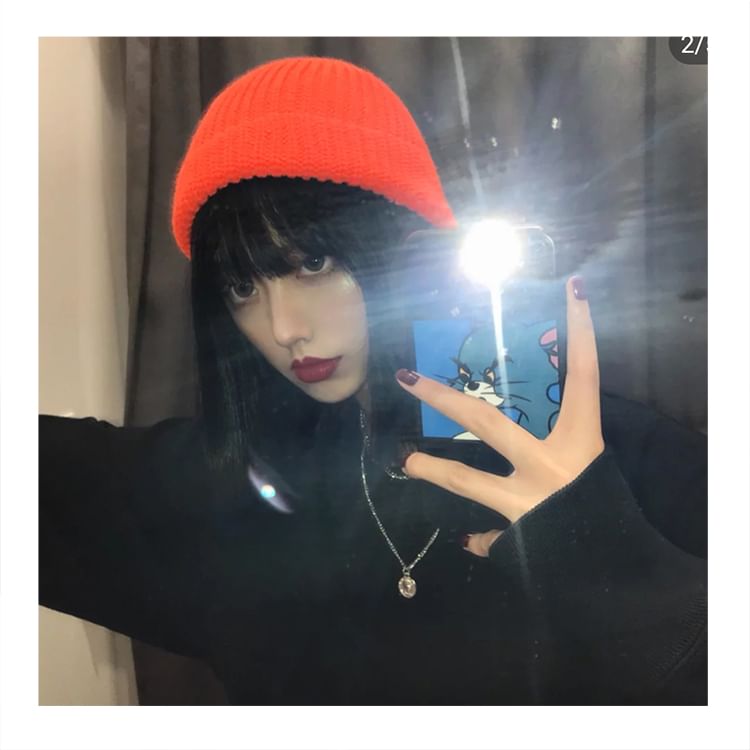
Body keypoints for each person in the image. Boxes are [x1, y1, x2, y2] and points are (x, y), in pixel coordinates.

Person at [39, 55, 707, 705]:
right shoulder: (229, 485)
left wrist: (620, 575)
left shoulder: (637, 460)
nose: (283, 328)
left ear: (402, 248)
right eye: (242, 286)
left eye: (314, 263)